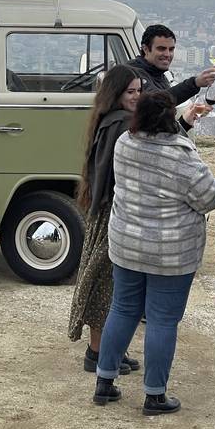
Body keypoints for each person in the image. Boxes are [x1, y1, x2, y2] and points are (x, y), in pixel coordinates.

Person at [92, 90, 215, 415]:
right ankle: (154, 394)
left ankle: (104, 381)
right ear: (169, 118)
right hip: (171, 251)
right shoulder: (181, 155)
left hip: (127, 243)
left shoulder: (125, 143)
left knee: (122, 309)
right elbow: (209, 197)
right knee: (162, 321)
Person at [68, 65, 143, 375]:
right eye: (131, 92)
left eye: (139, 91)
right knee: (105, 285)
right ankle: (98, 352)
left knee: (112, 285)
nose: (137, 97)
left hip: (106, 212)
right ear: (116, 94)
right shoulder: (121, 124)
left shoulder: (106, 120)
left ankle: (111, 348)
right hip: (115, 212)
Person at [128, 24, 215, 131]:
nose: (167, 54)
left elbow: (162, 127)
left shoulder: (159, 74)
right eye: (161, 49)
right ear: (146, 49)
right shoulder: (132, 74)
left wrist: (186, 121)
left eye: (171, 49)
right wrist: (195, 83)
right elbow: (156, 103)